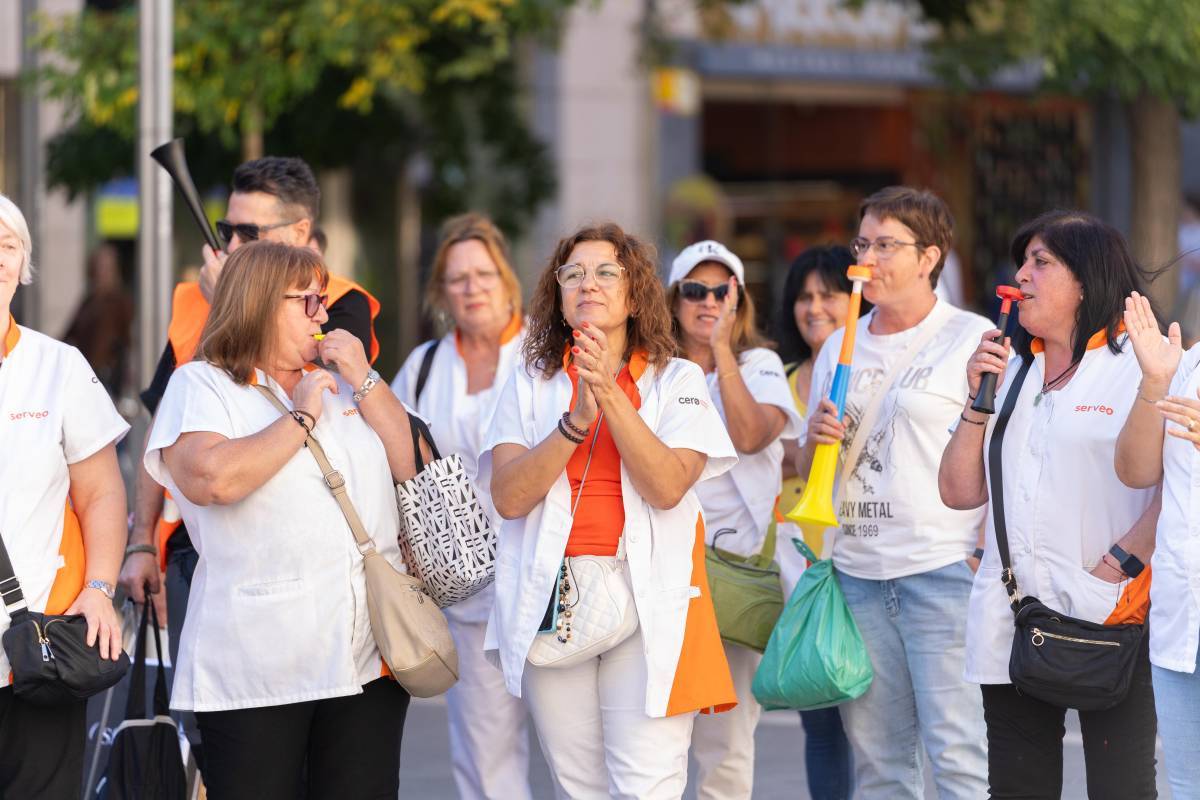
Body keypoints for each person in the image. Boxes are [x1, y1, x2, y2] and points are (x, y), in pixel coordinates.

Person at [118, 156, 382, 756]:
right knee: (217, 744)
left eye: (248, 233)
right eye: (226, 229)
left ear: (299, 231)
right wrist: (142, 542)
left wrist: (234, 302)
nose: (230, 244)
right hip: (198, 548)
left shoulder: (339, 302)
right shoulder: (195, 298)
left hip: (312, 587)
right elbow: (168, 420)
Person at [143, 241, 418, 799]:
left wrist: (365, 379)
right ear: (261, 303)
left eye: (324, 299)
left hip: (368, 657)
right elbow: (212, 479)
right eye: (309, 300)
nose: (323, 313)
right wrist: (301, 418)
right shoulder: (201, 385)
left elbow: (412, 465)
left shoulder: (343, 383)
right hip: (259, 667)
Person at [481, 222, 738, 800]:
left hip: (648, 601)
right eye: (572, 274)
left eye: (605, 272)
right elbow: (509, 496)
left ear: (635, 294)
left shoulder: (678, 379)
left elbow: (667, 486)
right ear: (558, 296)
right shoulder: (529, 381)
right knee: (578, 787)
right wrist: (575, 422)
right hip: (553, 598)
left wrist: (607, 390)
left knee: (647, 785)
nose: (588, 284)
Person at [939, 210, 1160, 798]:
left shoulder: (1143, 367)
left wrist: (1122, 561)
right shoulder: (1013, 369)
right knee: (1017, 789)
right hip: (1011, 616)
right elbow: (958, 492)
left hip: (1112, 614)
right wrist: (975, 402)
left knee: (1122, 789)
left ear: (1086, 280)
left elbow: (1177, 486)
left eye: (1041, 262)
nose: (1021, 275)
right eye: (1022, 262)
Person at [795, 186, 991, 798]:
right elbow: (805, 463)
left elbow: (1001, 453)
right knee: (880, 765)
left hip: (942, 569)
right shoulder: (839, 343)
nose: (867, 259)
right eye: (862, 244)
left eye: (886, 245)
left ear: (929, 256)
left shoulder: (971, 336)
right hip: (856, 572)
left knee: (958, 758)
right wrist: (813, 441)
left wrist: (982, 549)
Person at [390, 213, 531, 800]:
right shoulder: (425, 365)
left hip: (549, 579)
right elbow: (387, 449)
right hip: (466, 589)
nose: (472, 287)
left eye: (483, 274)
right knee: (483, 755)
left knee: (581, 755)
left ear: (506, 280)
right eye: (457, 278)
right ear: (442, 292)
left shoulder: (543, 354)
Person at [0, 193, 128, 798]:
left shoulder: (58, 367)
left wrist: (99, 589)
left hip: (37, 647)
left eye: (8, 245)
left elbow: (102, 494)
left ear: (22, 263)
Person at [666, 239, 801, 800]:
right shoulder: (654, 369)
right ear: (674, 299)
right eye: (694, 290)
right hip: (662, 566)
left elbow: (750, 436)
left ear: (739, 299)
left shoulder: (759, 364)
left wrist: (722, 349)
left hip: (732, 570)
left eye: (722, 291)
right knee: (657, 734)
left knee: (726, 741)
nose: (708, 301)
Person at [773, 244, 866, 800]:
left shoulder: (869, 370)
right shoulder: (776, 377)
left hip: (859, 556)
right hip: (796, 569)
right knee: (822, 721)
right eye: (804, 297)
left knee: (874, 722)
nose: (814, 308)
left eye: (828, 295)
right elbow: (749, 451)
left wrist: (788, 452)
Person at [1114, 293, 1200, 797]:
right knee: (1187, 788)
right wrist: (1155, 380)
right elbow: (1136, 471)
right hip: (1181, 622)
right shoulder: (1188, 363)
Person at [62, 242, 134, 400]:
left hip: (106, 377)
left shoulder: (120, 301)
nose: (102, 272)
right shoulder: (89, 301)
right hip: (85, 372)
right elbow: (69, 334)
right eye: (99, 267)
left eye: (107, 267)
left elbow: (127, 340)